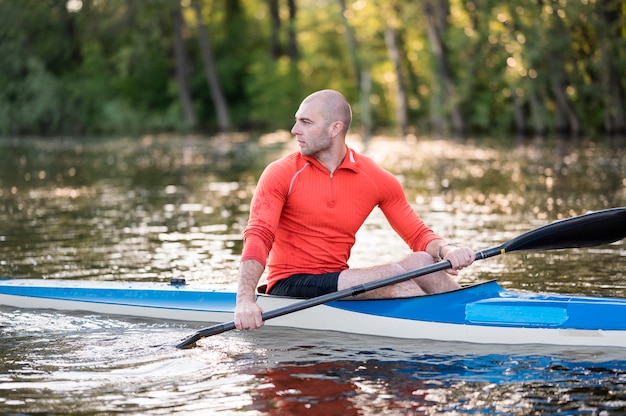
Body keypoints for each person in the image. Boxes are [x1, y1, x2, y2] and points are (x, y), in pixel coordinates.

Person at [234, 89, 475, 331]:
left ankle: (471, 312)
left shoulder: (373, 177)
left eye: (305, 122)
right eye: (297, 121)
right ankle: (443, 330)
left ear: (335, 128)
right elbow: (258, 235)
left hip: (338, 279)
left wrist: (447, 249)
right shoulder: (282, 173)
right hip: (289, 284)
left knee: (423, 261)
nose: (294, 130)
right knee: (389, 274)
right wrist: (244, 300)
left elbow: (417, 235)